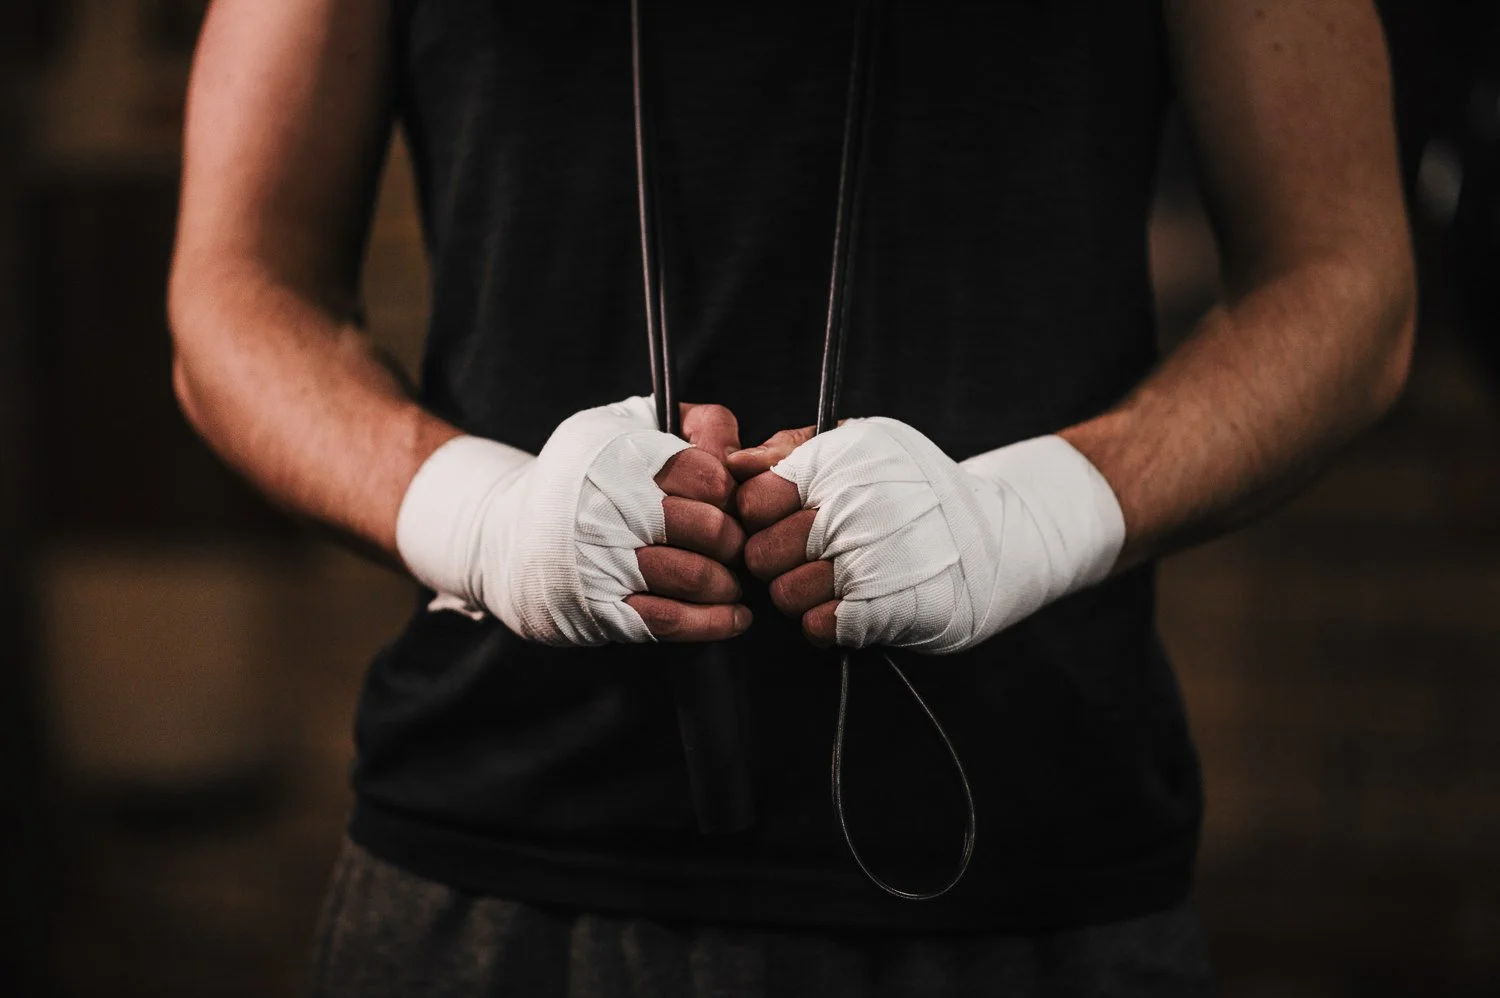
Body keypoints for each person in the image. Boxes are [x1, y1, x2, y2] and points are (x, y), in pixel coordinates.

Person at [168, 0, 1414, 995]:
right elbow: (234, 289)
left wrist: (1033, 512)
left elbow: (1345, 281)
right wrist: (480, 516)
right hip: (493, 859)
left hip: (1030, 870)